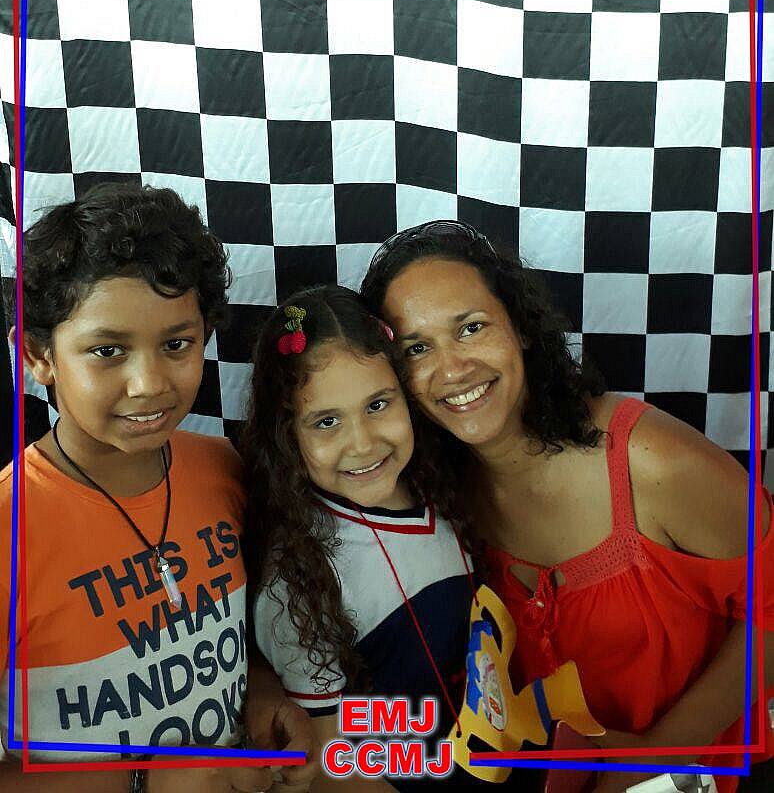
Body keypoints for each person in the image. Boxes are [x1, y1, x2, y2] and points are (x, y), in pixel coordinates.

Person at [360, 219, 774, 793]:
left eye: (472, 328)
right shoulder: (435, 492)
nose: (451, 369)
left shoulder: (648, 460)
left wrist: (658, 754)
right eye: (417, 348)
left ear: (521, 329)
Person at [0, 184, 317, 792]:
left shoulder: (223, 469)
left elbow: (233, 641)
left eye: (176, 344)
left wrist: (263, 699)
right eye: (107, 350)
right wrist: (149, 778)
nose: (148, 383)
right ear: (38, 355)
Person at [242, 284, 539, 791]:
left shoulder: (447, 487)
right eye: (327, 422)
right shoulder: (298, 579)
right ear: (286, 436)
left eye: (378, 404)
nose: (362, 443)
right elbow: (335, 764)